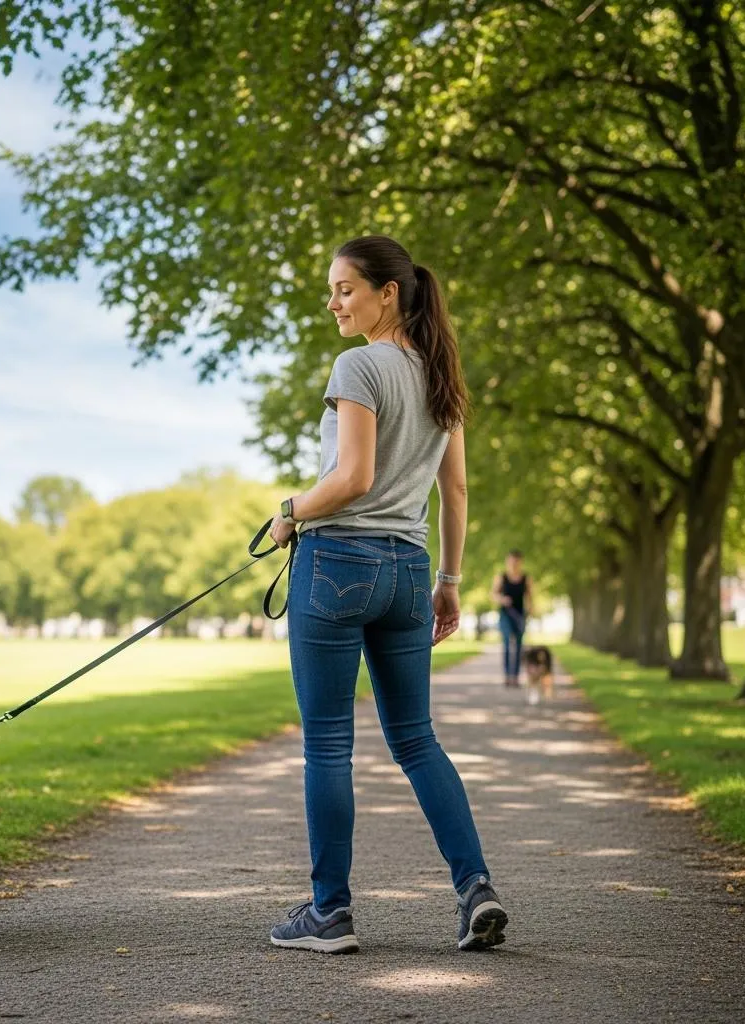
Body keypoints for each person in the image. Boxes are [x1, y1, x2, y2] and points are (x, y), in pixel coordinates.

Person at [266, 235, 507, 955]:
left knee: (329, 744)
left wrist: (290, 512)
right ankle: (476, 889)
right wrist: (450, 582)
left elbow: (353, 478)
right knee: (417, 740)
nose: (334, 302)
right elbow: (456, 489)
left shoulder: (359, 365)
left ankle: (329, 913)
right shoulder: (440, 375)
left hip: (338, 563)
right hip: (408, 570)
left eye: (345, 288)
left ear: (388, 293)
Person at [491, 550, 534, 688]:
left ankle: (515, 677)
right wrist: (502, 599)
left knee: (519, 646)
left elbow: (529, 597)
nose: (514, 564)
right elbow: (493, 595)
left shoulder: (526, 578)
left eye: (516, 562)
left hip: (520, 615)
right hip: (505, 615)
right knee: (508, 641)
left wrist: (530, 611)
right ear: (507, 562)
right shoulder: (501, 577)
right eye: (511, 561)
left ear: (520, 562)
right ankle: (507, 676)